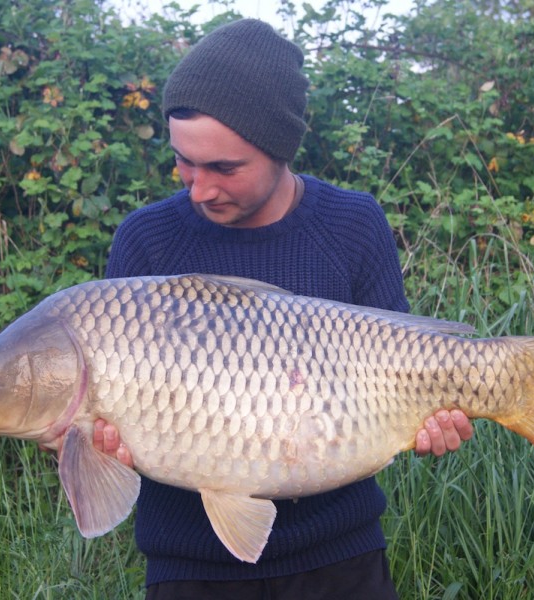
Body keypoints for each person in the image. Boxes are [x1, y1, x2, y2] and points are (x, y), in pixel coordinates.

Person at [92, 18, 473, 599]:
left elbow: (407, 369)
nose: (198, 189)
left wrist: (434, 423)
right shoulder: (146, 241)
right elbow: (108, 432)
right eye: (183, 162)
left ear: (280, 150)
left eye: (223, 168)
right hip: (189, 568)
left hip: (339, 560)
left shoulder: (352, 224)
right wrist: (79, 435)